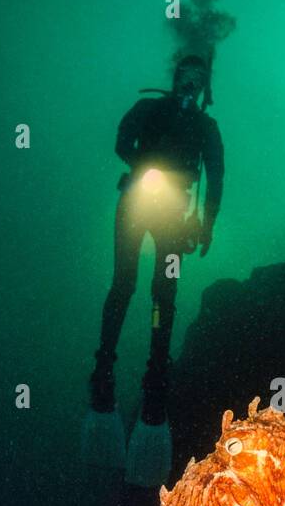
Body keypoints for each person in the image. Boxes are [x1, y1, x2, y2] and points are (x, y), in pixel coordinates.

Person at [89, 54, 225, 426]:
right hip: (135, 202)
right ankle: (104, 364)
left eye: (200, 77)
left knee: (164, 291)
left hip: (172, 215)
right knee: (124, 282)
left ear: (204, 88)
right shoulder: (148, 108)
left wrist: (207, 224)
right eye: (187, 74)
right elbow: (121, 140)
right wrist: (143, 165)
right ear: (176, 76)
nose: (191, 82)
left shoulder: (206, 127)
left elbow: (216, 177)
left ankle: (156, 372)